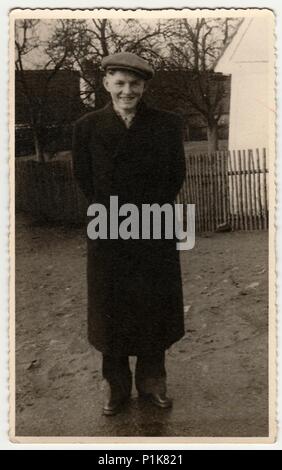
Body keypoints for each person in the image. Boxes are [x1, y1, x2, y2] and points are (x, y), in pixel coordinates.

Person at [72, 52, 186, 416]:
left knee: (154, 305)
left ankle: (153, 382)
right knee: (111, 309)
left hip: (153, 226)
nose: (127, 91)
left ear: (144, 86)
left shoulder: (167, 125)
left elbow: (175, 176)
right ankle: (115, 387)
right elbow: (84, 177)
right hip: (108, 228)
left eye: (134, 84)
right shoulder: (87, 127)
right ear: (106, 84)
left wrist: (148, 217)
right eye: (119, 83)